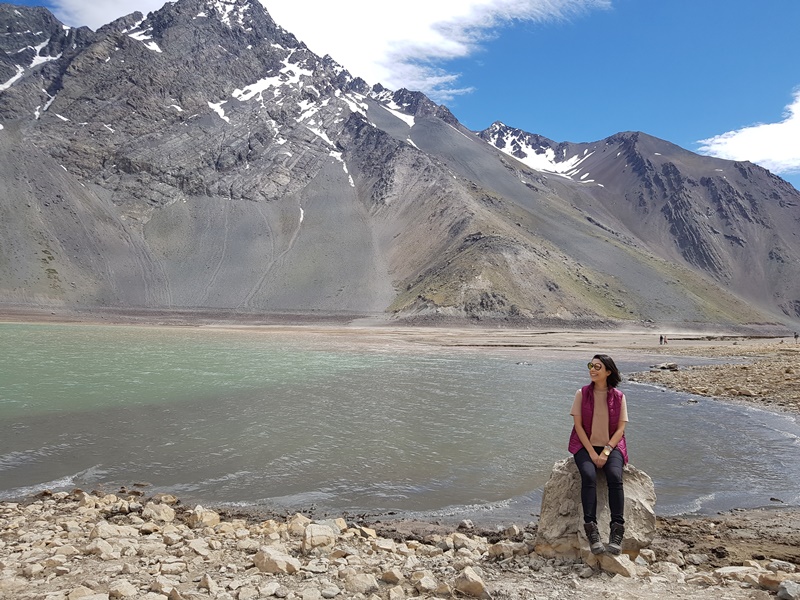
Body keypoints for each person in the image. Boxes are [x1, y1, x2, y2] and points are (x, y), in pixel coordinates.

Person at [568, 354, 629, 555]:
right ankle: (591, 528)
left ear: (608, 372)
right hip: (584, 446)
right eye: (591, 366)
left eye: (597, 367)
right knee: (589, 476)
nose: (592, 370)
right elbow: (577, 426)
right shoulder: (582, 393)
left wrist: (606, 451)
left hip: (612, 446)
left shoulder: (619, 397)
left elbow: (621, 429)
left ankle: (617, 529)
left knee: (614, 477)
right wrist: (592, 454)